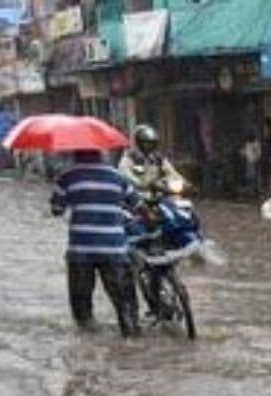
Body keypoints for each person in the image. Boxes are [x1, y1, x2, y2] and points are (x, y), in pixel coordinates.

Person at [51, 149, 141, 336]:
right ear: (102, 155)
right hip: (114, 248)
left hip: (80, 250)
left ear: (75, 155)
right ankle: (132, 342)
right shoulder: (119, 177)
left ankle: (89, 345)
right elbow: (136, 204)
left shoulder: (67, 177)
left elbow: (56, 209)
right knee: (126, 307)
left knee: (82, 310)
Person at [118, 124, 184, 194]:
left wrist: (185, 184)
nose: (148, 146)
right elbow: (124, 174)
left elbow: (172, 173)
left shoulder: (158, 159)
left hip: (157, 193)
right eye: (145, 143)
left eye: (151, 143)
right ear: (139, 142)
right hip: (137, 194)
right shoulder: (130, 158)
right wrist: (141, 183)